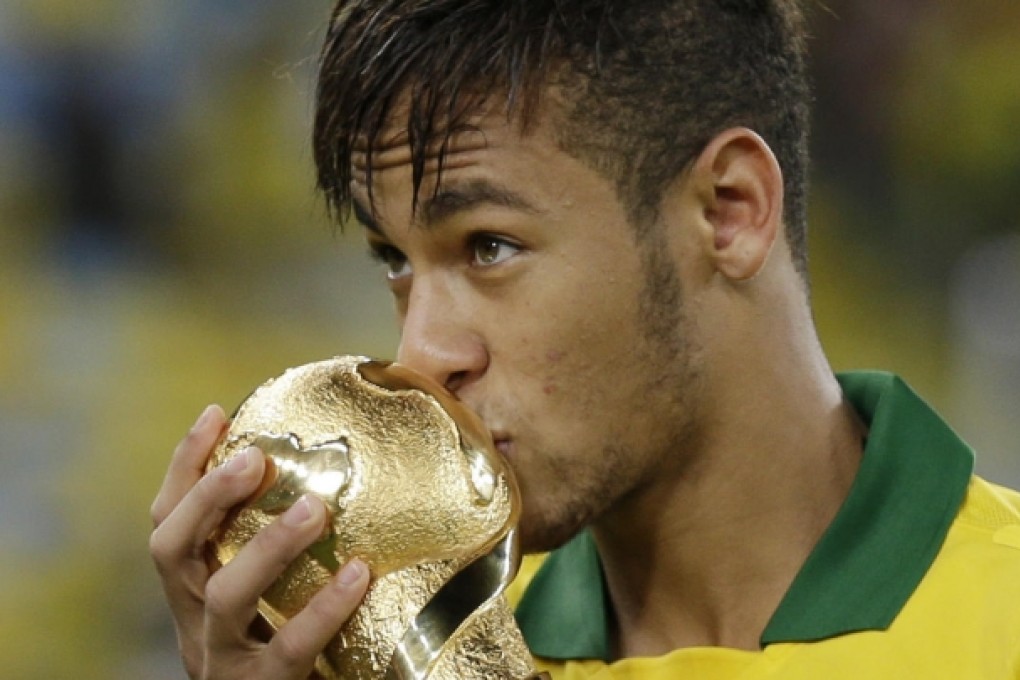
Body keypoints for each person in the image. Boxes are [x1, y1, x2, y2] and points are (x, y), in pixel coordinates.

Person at [149, 1, 1020, 678]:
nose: (421, 359)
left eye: (488, 246)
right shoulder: (415, 649)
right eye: (395, 260)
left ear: (729, 211)